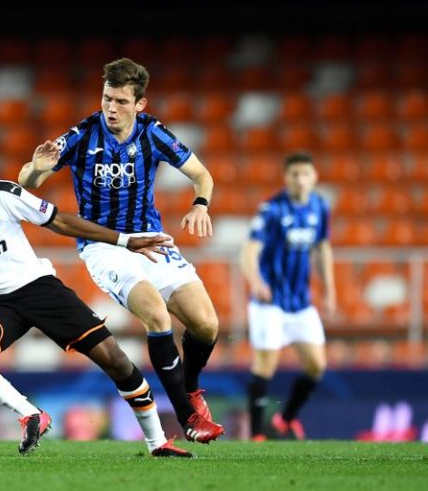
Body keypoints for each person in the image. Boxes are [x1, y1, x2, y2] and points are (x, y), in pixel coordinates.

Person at [0, 142, 212, 456]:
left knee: (115, 360)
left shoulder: (0, 193)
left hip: (39, 288)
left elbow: (60, 221)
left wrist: (125, 241)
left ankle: (157, 442)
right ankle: (30, 414)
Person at [18, 58, 224, 443]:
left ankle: (191, 389)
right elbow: (27, 181)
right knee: (157, 315)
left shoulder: (153, 133)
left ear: (139, 104)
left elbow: (202, 174)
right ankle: (188, 418)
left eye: (121, 102)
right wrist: (36, 167)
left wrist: (200, 204)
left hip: (149, 238)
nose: (111, 108)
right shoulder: (81, 135)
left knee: (207, 325)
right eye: (106, 99)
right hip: (104, 244)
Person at [239, 152, 336, 440]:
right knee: (265, 367)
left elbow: (322, 248)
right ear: (286, 177)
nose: (300, 180)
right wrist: (256, 282)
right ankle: (257, 433)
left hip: (301, 303)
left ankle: (285, 419)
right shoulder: (272, 210)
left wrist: (330, 290)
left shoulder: (319, 206)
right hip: (269, 303)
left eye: (305, 174)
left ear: (314, 177)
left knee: (316, 366)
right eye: (295, 174)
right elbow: (248, 252)